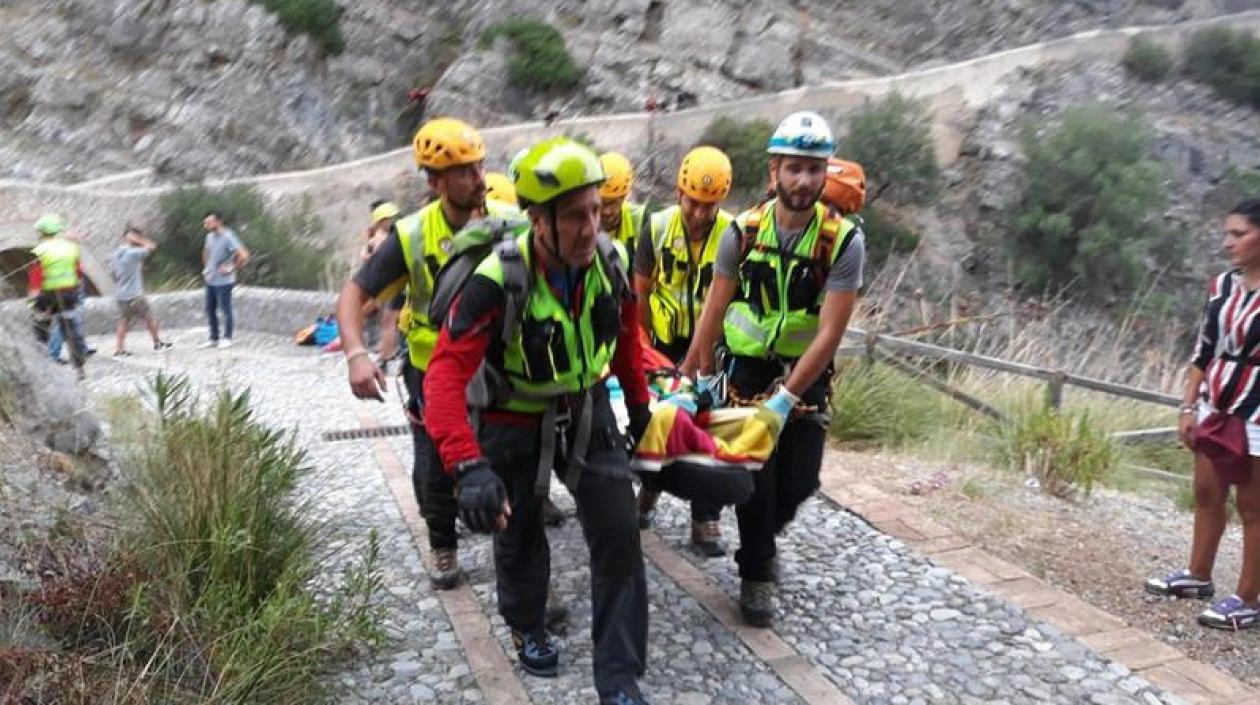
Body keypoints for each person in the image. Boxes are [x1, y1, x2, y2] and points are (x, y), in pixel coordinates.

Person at [422, 137, 654, 705]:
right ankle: (528, 624)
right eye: (574, 216)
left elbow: (627, 345)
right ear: (537, 218)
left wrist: (642, 409)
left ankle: (619, 681)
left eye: (596, 211)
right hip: (511, 416)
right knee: (520, 530)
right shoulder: (496, 283)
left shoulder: (609, 263)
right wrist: (467, 465)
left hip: (586, 407)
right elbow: (444, 377)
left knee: (619, 535)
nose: (589, 227)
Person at [679, 111, 866, 628]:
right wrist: (692, 372)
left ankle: (762, 541)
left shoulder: (843, 241)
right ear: (774, 172)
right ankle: (756, 572)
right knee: (755, 482)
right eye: (793, 169)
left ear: (825, 173)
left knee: (801, 479)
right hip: (744, 377)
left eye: (813, 169)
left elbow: (830, 331)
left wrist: (787, 398)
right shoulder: (742, 233)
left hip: (805, 379)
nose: (803, 181)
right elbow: (713, 311)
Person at [337, 118, 520, 590]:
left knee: (508, 462)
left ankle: (520, 565)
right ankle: (443, 542)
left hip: (498, 366)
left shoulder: (508, 222)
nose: (478, 178)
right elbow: (356, 294)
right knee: (435, 469)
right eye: (463, 172)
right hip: (431, 370)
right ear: (435, 181)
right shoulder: (413, 235)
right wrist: (357, 354)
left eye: (480, 166)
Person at [1145, 199, 1260, 631]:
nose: (1227, 242)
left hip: (1259, 409)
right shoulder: (1222, 287)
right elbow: (1203, 350)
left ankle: (1249, 598)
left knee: (1253, 505)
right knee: (1208, 491)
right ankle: (1197, 576)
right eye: (1226, 233)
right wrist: (1188, 405)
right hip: (1216, 400)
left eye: (1238, 233)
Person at [633, 146, 735, 556]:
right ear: (679, 193)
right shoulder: (655, 228)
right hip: (662, 345)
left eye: (709, 206)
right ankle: (651, 487)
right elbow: (640, 292)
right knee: (661, 424)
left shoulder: (733, 232)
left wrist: (711, 353)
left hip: (711, 348)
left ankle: (705, 518)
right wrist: (642, 350)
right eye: (693, 202)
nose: (699, 213)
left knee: (710, 427)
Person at [27, 214, 91, 379]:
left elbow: (35, 282)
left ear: (42, 232)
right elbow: (78, 273)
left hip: (47, 297)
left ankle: (41, 367)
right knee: (70, 331)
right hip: (69, 295)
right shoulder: (71, 248)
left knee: (40, 329)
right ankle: (80, 369)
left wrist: (32, 303)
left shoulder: (39, 251)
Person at [110, 226, 173, 357]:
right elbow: (152, 246)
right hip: (135, 294)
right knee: (149, 318)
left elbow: (114, 275)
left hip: (121, 294)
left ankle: (119, 350)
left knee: (123, 322)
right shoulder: (133, 253)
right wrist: (139, 240)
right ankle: (158, 343)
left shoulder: (115, 254)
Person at [363, 200, 403, 365]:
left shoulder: (380, 239)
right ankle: (388, 353)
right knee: (389, 320)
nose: (392, 220)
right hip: (393, 284)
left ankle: (386, 356)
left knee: (389, 321)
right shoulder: (390, 237)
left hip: (390, 284)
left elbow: (371, 260)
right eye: (389, 218)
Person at [201, 212, 248, 349]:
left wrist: (232, 267)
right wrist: (206, 268)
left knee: (225, 309)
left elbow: (243, 255)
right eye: (205, 223)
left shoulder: (228, 236)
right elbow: (206, 251)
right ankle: (214, 338)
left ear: (218, 222)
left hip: (224, 281)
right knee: (210, 309)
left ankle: (227, 337)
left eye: (209, 222)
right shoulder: (209, 237)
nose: (206, 226)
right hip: (211, 279)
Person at [597, 152, 648, 256]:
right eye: (600, 202)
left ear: (624, 197)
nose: (606, 211)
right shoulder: (582, 225)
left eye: (612, 203)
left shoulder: (641, 220)